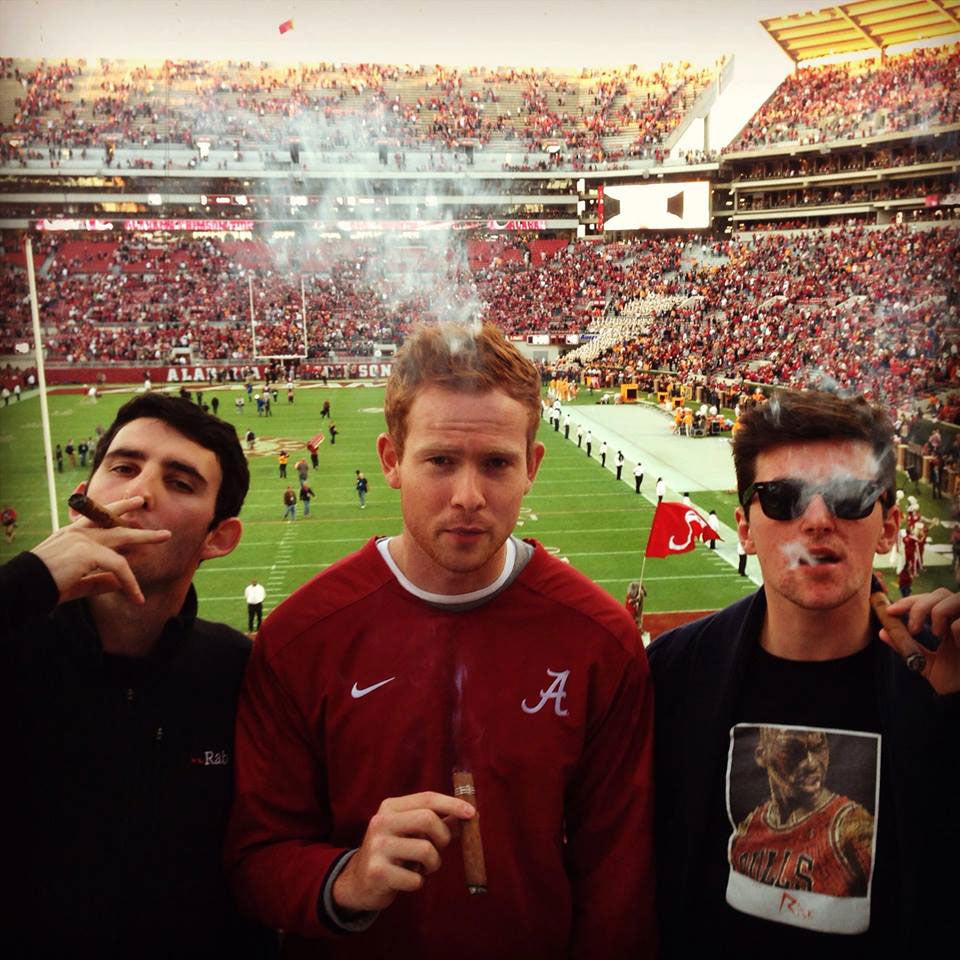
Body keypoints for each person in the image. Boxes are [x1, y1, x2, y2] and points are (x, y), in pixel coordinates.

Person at [226, 321, 656, 959]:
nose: (468, 497)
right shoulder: (300, 638)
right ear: (391, 460)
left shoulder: (600, 639)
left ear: (532, 466)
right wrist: (347, 878)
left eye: (496, 463)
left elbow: (617, 874)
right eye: (441, 461)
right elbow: (257, 854)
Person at [647, 389, 960, 957]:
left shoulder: (942, 682)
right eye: (784, 498)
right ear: (743, 528)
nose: (817, 520)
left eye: (849, 497)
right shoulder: (669, 675)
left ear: (888, 527)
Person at [0, 394, 275, 959]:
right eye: (123, 468)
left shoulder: (236, 674)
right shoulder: (12, 640)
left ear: (218, 538)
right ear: (85, 495)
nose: (138, 493)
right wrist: (27, 582)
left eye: (180, 483)